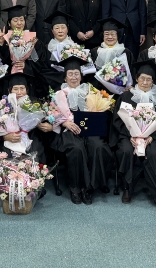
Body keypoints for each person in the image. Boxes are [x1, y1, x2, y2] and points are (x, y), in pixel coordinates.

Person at [54, 57, 113, 204]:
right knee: (77, 149)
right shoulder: (59, 94)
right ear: (65, 77)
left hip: (89, 129)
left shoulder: (90, 90)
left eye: (76, 74)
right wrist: (65, 123)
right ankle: (75, 188)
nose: (74, 77)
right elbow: (51, 114)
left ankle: (90, 187)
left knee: (98, 146)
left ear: (81, 76)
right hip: (69, 130)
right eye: (70, 74)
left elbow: (101, 108)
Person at [112, 60, 156, 206]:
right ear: (137, 78)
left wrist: (152, 137)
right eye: (142, 78)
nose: (145, 82)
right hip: (128, 136)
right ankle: (127, 188)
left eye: (149, 79)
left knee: (154, 152)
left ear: (153, 81)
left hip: (152, 137)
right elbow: (118, 121)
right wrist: (130, 136)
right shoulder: (126, 97)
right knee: (126, 150)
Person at [0, 5, 50, 99]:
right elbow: (0, 63)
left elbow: (40, 62)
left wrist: (26, 66)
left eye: (21, 20)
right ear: (9, 23)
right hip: (10, 81)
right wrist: (1, 44)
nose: (19, 23)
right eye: (15, 20)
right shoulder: (4, 39)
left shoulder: (33, 40)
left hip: (30, 81)